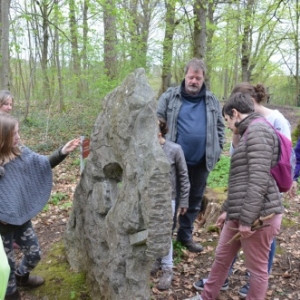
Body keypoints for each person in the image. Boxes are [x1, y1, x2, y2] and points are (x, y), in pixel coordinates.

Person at [193, 82, 292, 297]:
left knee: (257, 270)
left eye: (227, 120)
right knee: (221, 257)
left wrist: (246, 220)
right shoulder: (249, 132)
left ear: (235, 113)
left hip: (260, 217)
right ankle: (206, 296)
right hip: (242, 212)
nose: (228, 126)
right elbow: (241, 179)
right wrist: (228, 209)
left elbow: (257, 179)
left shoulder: (258, 132)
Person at [0, 113, 81, 300]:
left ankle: (23, 277)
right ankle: (13, 292)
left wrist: (62, 151)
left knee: (34, 253)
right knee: (6, 271)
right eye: (14, 134)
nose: (19, 136)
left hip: (20, 219)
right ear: (2, 137)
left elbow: (41, 164)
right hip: (2, 229)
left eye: (18, 132)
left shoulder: (20, 151)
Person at [156, 58, 225, 252]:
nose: (194, 81)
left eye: (198, 78)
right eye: (191, 77)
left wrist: (217, 150)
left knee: (194, 200)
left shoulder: (211, 100)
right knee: (170, 200)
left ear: (203, 79)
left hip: (201, 161)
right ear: (184, 76)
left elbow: (220, 127)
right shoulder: (170, 97)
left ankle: (185, 235)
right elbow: (157, 121)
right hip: (172, 162)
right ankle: (164, 241)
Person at [152, 119, 190, 290]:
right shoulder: (146, 150)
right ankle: (156, 260)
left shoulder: (175, 149)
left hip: (169, 198)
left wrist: (184, 201)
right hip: (149, 198)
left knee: (165, 231)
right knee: (152, 230)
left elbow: (184, 177)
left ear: (159, 132)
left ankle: (168, 268)